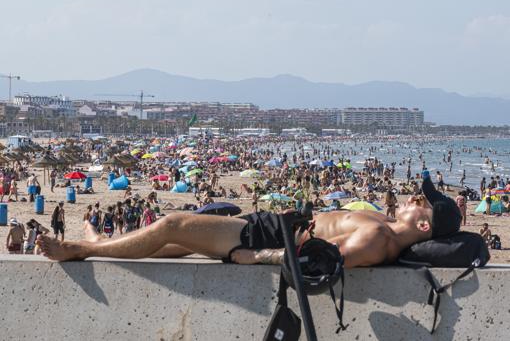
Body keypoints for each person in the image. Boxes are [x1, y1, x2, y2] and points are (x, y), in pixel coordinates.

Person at [37, 171, 462, 268]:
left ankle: (79, 249)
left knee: (174, 226)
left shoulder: (376, 238)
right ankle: (97, 240)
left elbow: (320, 260)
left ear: (423, 226)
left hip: (264, 236)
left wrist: (256, 257)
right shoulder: (382, 227)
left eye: (419, 202)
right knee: (178, 246)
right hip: (273, 226)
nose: (411, 197)